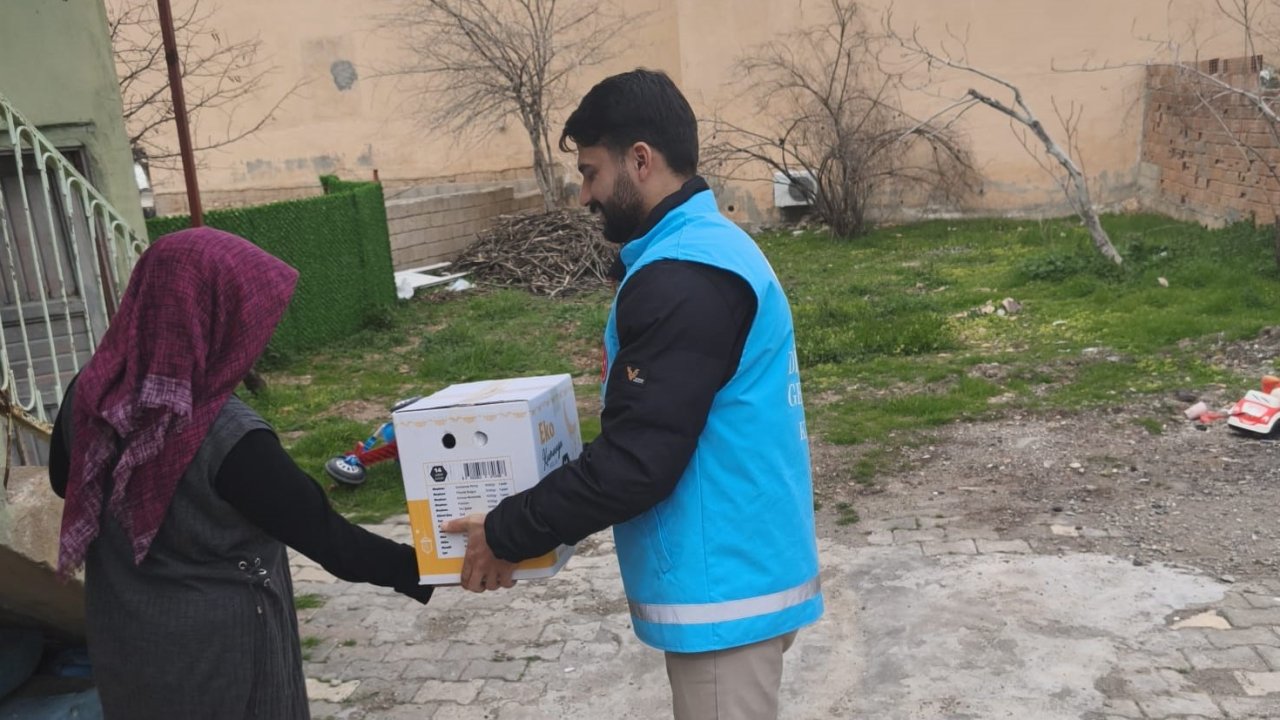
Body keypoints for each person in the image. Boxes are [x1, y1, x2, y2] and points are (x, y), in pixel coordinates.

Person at [442, 69, 823, 720]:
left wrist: (508, 529)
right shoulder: (705, 251)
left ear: (640, 160)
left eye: (591, 172)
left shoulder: (686, 275)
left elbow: (637, 461)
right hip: (740, 574)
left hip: (724, 592)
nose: (586, 194)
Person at [48, 228, 434, 720]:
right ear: (216, 317)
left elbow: (67, 483)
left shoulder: (90, 393)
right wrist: (435, 565)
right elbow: (328, 538)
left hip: (127, 639)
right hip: (224, 657)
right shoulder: (228, 436)